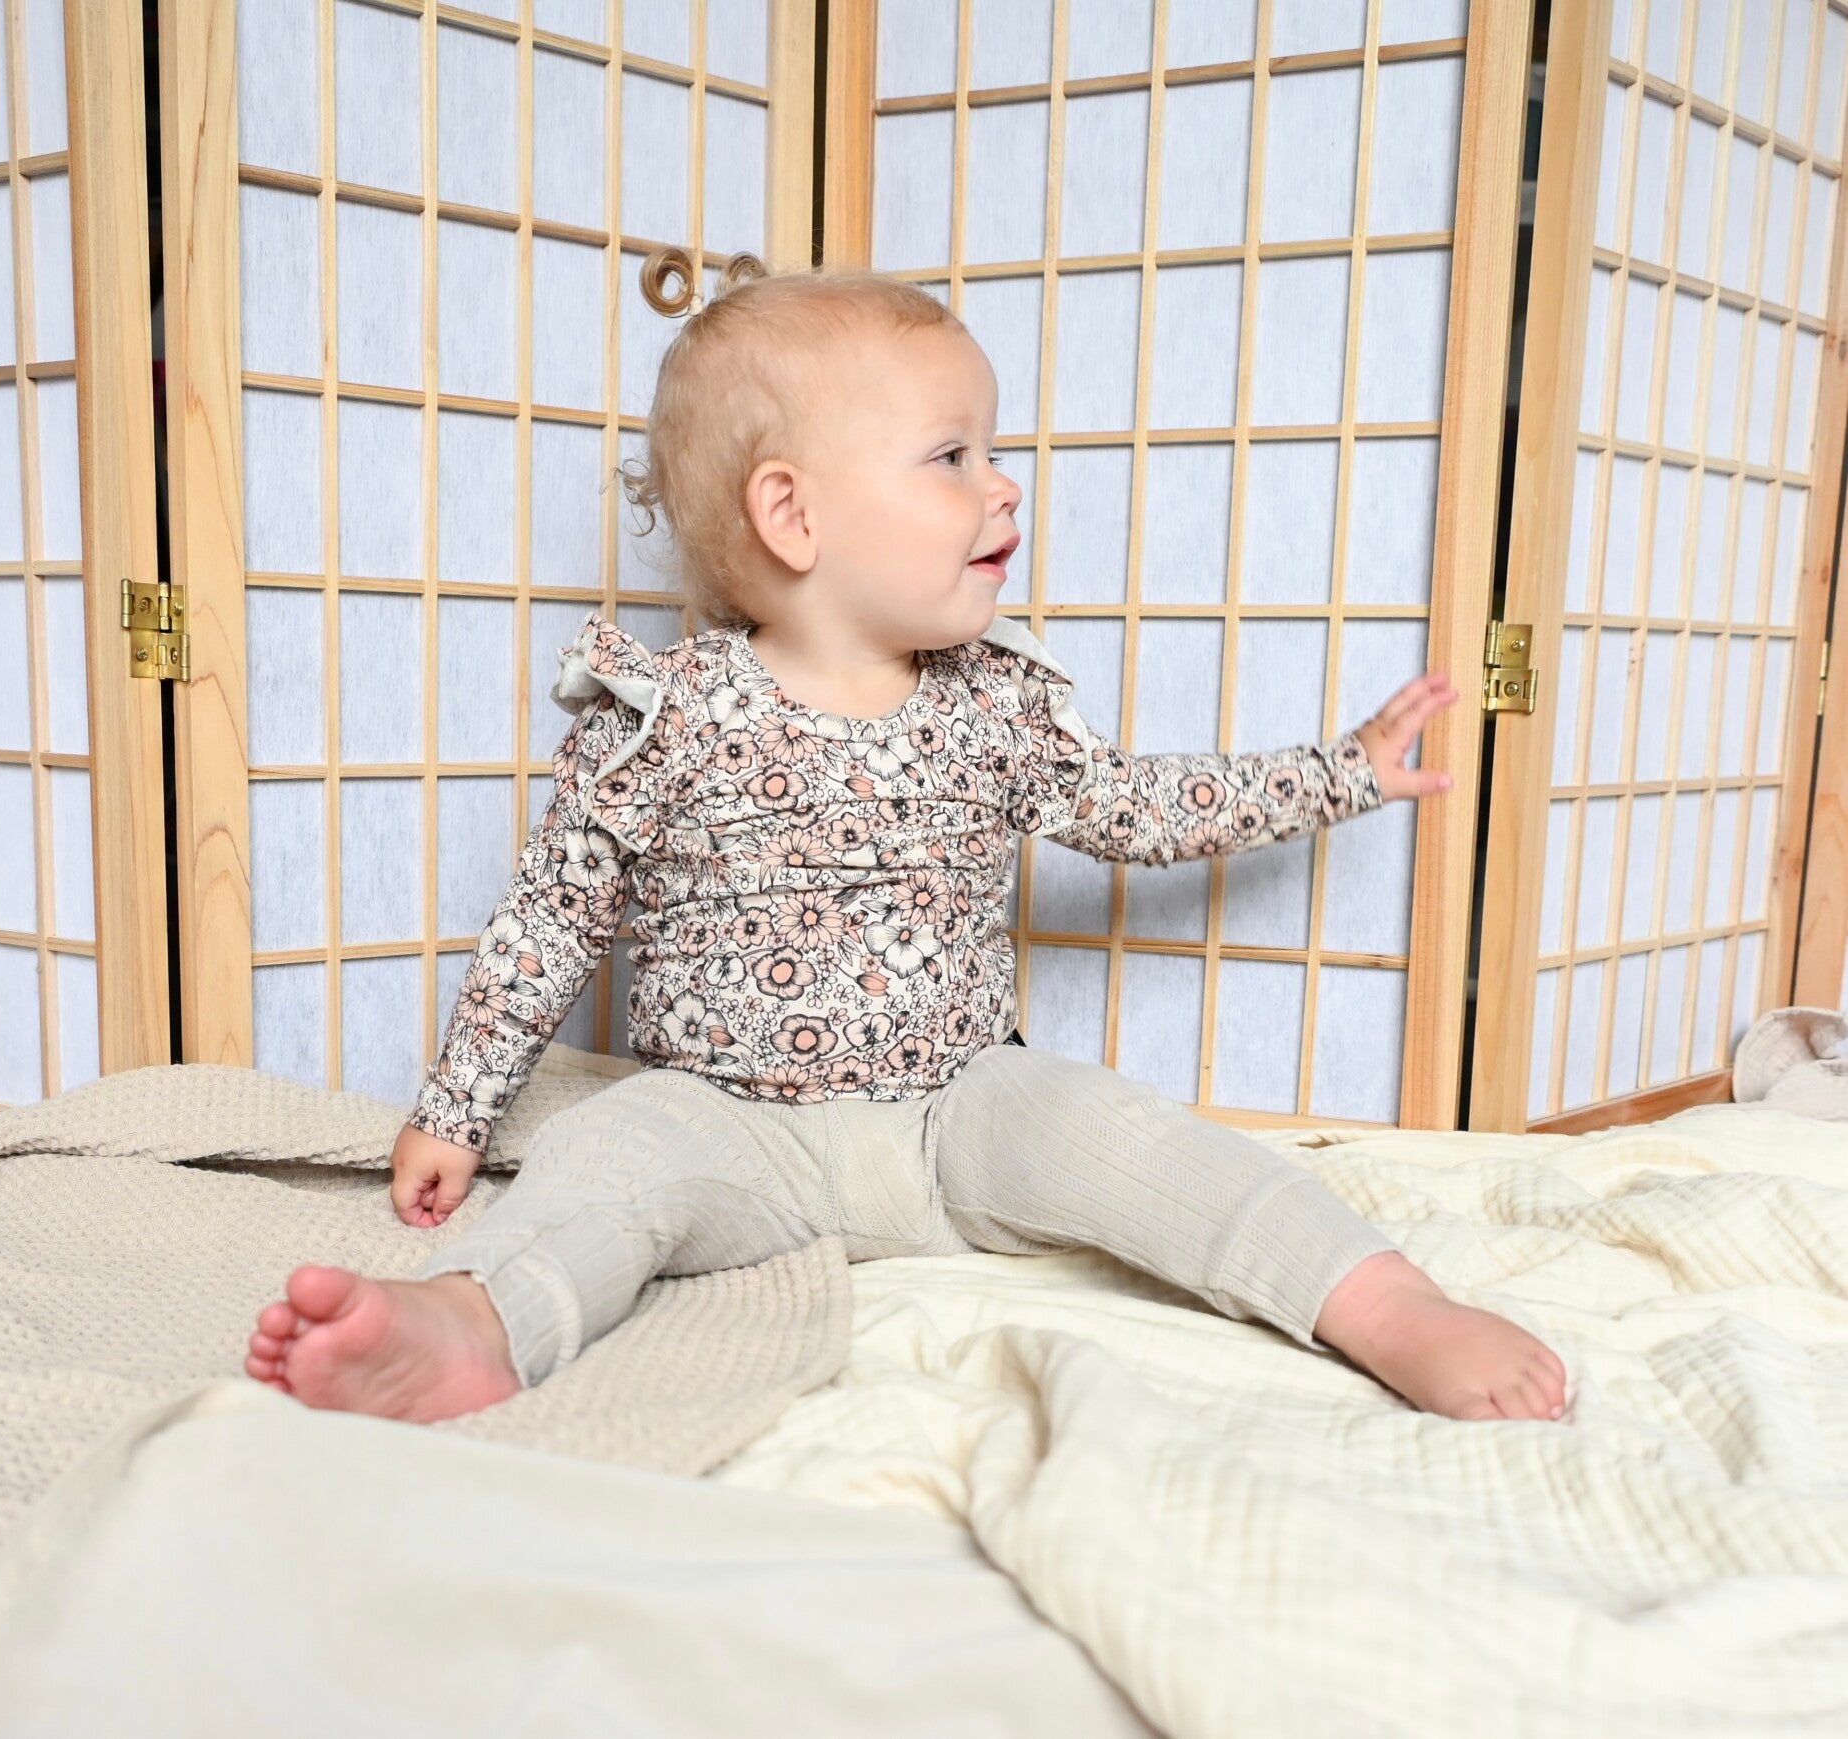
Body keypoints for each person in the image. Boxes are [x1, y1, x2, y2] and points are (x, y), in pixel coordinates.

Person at [244, 254, 1567, 1429]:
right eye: (953, 457)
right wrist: (457, 1111)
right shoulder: (665, 718)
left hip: (956, 1112)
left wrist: (1340, 772)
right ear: (793, 515)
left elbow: (1138, 808)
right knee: (606, 1158)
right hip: (729, 1125)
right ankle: (472, 1324)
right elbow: (550, 922)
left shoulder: (995, 702)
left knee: (1123, 1131)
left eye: (992, 451)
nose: (1003, 485)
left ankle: (1385, 1303)